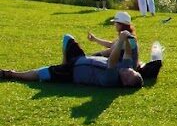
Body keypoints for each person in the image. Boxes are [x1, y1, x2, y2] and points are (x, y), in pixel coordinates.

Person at [0, 33, 143, 88]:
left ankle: (11, 74)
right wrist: (129, 41)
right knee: (67, 38)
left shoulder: (111, 80)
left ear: (125, 82)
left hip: (71, 72)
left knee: (41, 73)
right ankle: (63, 62)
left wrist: (121, 40)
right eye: (130, 70)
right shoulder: (126, 68)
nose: (128, 69)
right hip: (79, 59)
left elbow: (112, 60)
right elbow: (128, 55)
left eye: (129, 74)